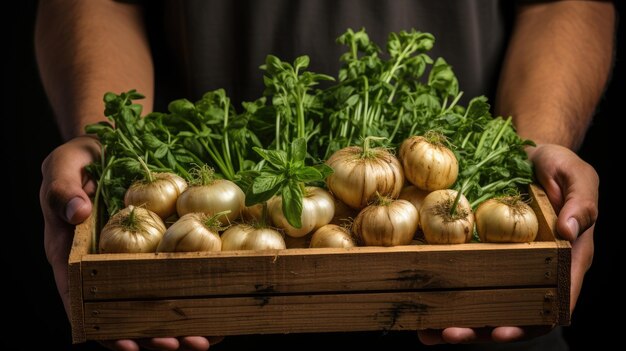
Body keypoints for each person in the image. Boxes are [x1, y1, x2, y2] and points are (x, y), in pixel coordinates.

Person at [36, 1, 613, 350]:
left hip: (473, 313)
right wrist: (107, 141)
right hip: (199, 314)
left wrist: (534, 146)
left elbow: (564, 3)